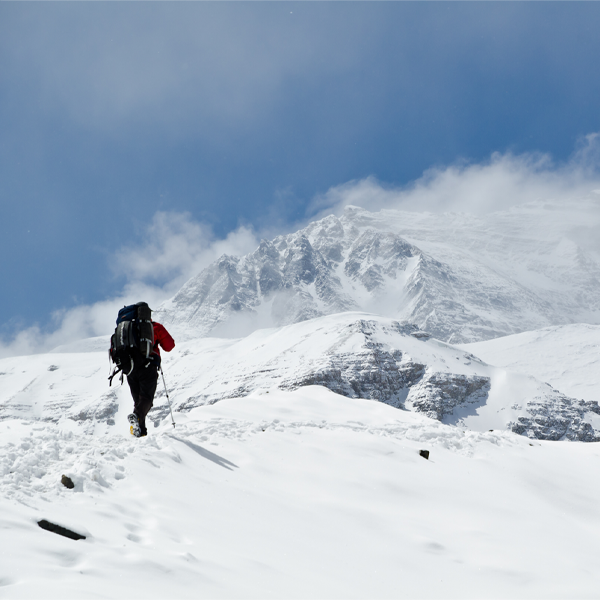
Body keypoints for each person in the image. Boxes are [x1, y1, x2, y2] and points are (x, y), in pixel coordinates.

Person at [127, 320, 175, 437]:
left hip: (130, 368)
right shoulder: (154, 326)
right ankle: (137, 417)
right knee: (146, 398)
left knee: (138, 401)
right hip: (148, 367)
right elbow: (169, 346)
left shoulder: (126, 329)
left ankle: (140, 432)